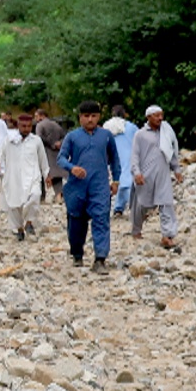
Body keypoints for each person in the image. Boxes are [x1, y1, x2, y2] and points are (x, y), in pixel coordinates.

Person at [59, 100, 121, 271]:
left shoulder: (106, 136)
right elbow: (61, 158)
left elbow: (115, 159)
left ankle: (100, 259)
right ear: (80, 118)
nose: (90, 120)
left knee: (101, 219)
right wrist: (72, 168)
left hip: (99, 186)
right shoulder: (72, 137)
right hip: (77, 187)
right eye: (86, 116)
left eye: (94, 116)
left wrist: (116, 180)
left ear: (99, 117)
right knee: (76, 222)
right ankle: (77, 254)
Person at [129, 105, 183, 250]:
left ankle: (167, 235)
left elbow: (170, 152)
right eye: (156, 115)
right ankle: (136, 229)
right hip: (146, 175)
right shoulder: (140, 135)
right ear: (148, 117)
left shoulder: (166, 132)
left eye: (161, 115)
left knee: (166, 203)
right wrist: (136, 173)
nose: (160, 118)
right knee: (142, 204)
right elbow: (134, 156)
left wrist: (176, 169)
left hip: (163, 175)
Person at [0, 113, 48, 240]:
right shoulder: (9, 139)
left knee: (35, 196)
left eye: (29, 126)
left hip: (33, 176)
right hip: (13, 176)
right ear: (18, 125)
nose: (26, 129)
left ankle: (29, 222)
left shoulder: (36, 141)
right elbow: (0, 154)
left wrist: (47, 175)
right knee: (14, 204)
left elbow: (43, 159)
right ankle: (19, 228)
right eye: (23, 126)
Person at [103, 104, 137, 217]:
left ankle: (118, 207)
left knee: (118, 180)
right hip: (128, 154)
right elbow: (138, 139)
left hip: (113, 155)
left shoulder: (106, 126)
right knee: (128, 181)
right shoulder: (130, 127)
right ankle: (134, 206)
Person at [36, 113, 67, 203]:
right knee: (56, 175)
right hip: (56, 152)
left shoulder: (40, 125)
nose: (36, 118)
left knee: (41, 174)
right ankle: (58, 195)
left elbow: (39, 138)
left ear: (41, 116)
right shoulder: (56, 124)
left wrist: (50, 144)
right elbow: (64, 136)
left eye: (36, 116)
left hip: (44, 151)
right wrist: (59, 143)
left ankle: (42, 197)